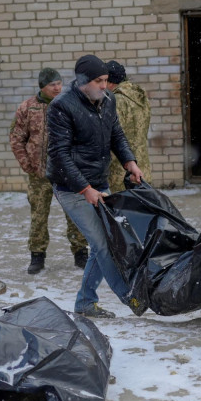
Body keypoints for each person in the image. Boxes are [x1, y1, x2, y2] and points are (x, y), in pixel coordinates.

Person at [47, 55, 146, 318]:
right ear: (83, 82)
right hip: (71, 186)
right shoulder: (61, 107)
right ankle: (130, 297)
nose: (105, 85)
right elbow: (60, 155)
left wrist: (130, 162)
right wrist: (84, 188)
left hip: (98, 181)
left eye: (106, 81)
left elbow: (116, 134)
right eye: (99, 81)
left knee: (107, 240)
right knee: (103, 243)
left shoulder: (107, 100)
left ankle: (84, 303)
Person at [9, 67, 89, 275]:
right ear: (42, 87)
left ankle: (80, 252)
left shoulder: (70, 104)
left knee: (75, 214)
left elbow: (83, 135)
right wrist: (28, 165)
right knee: (38, 215)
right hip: (40, 175)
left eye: (59, 83)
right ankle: (37, 256)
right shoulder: (27, 108)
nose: (57, 87)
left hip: (67, 173)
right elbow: (17, 138)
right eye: (52, 84)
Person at [104, 60, 151, 193]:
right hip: (142, 166)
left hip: (121, 171)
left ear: (111, 82)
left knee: (121, 212)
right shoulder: (140, 97)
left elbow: (113, 136)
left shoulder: (116, 101)